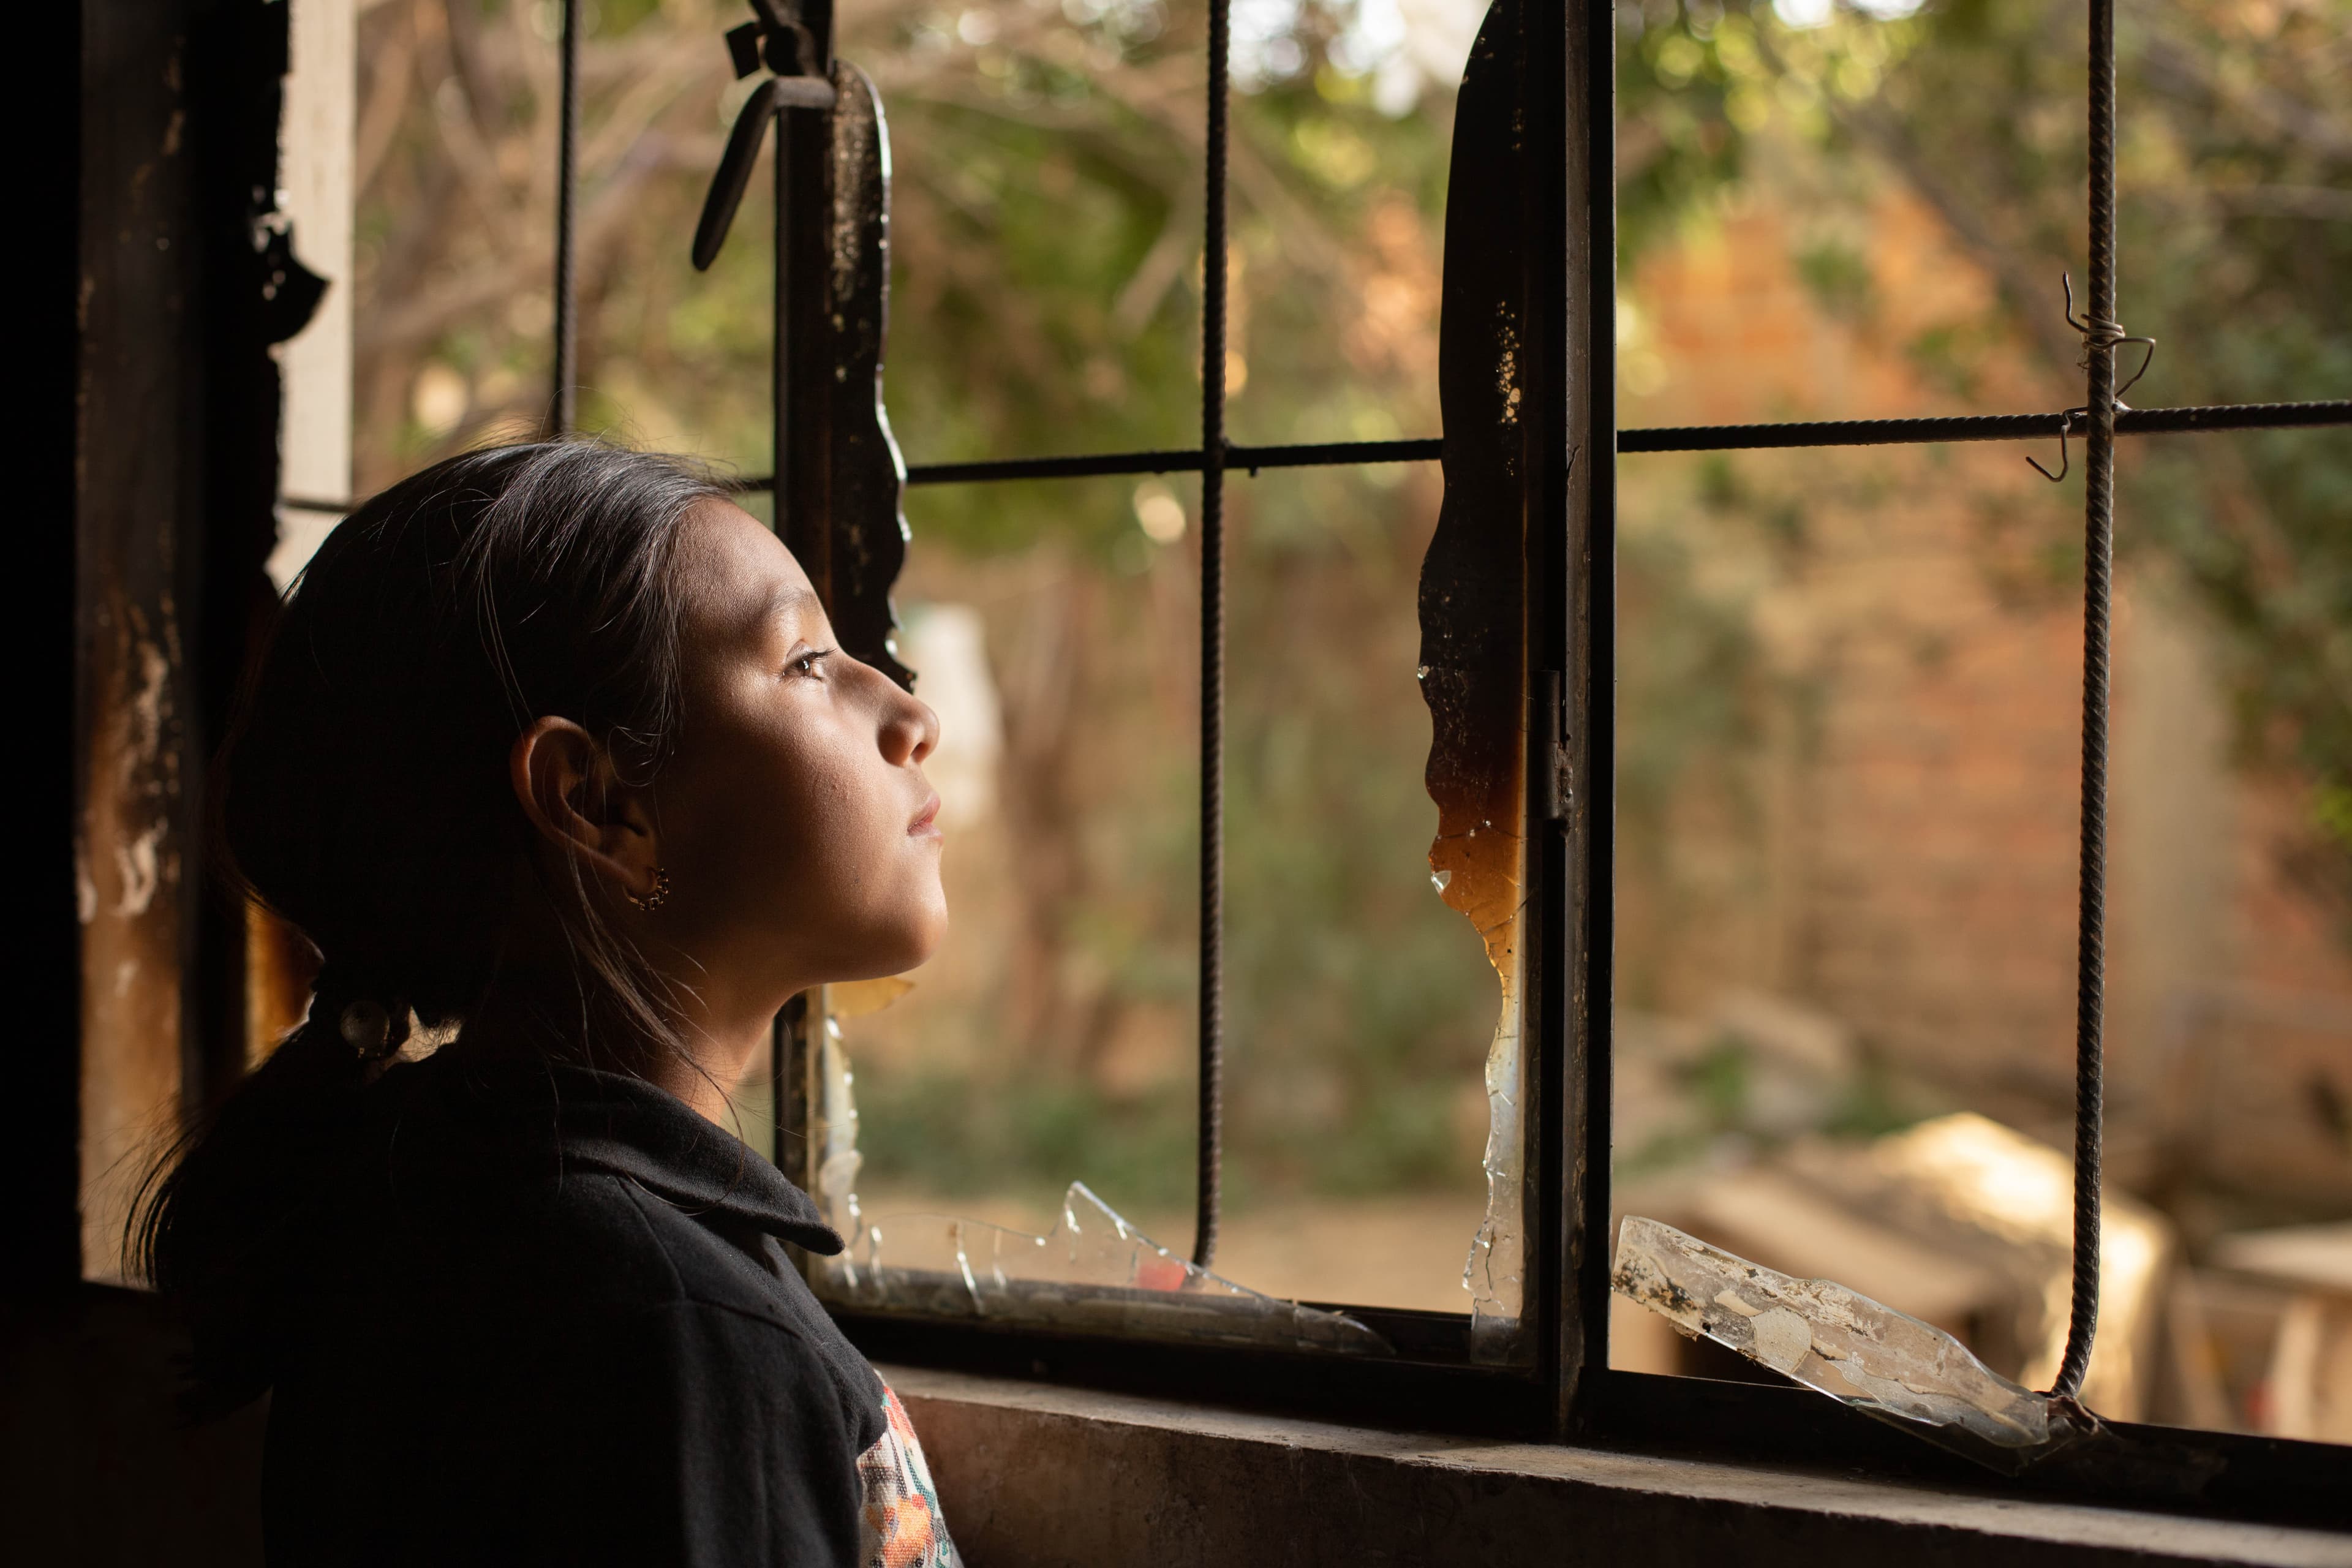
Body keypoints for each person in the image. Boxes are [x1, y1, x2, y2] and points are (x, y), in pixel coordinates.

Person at [132, 440, 959, 1566]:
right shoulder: (679, 1337)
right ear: (596, 800)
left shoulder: (426, 1214)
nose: (911, 717)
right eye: (808, 660)